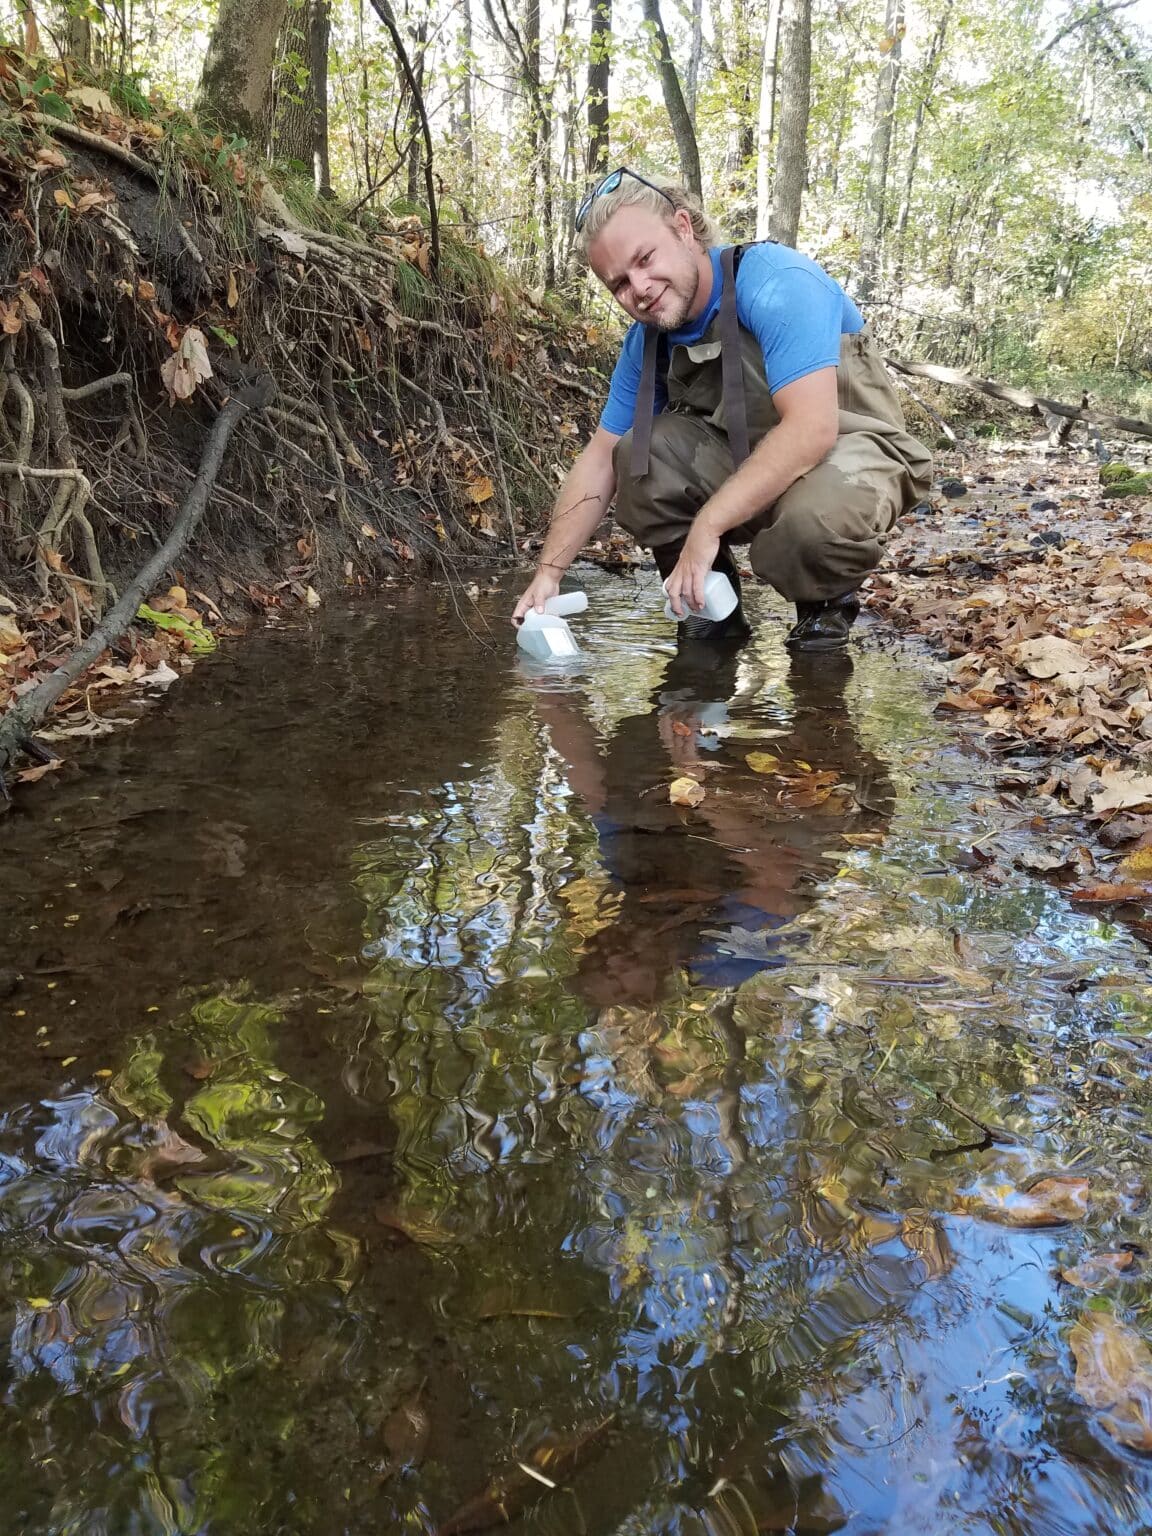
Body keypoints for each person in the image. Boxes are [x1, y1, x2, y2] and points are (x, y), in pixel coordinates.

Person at [511, 168, 932, 652]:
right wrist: (548, 574)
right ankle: (710, 607)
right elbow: (599, 459)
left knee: (810, 524)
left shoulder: (777, 282)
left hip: (850, 450)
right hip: (748, 461)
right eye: (620, 284)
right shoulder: (645, 344)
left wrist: (708, 525)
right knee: (636, 453)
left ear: (684, 229)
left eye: (645, 260)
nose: (641, 288)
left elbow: (813, 430)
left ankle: (823, 608)